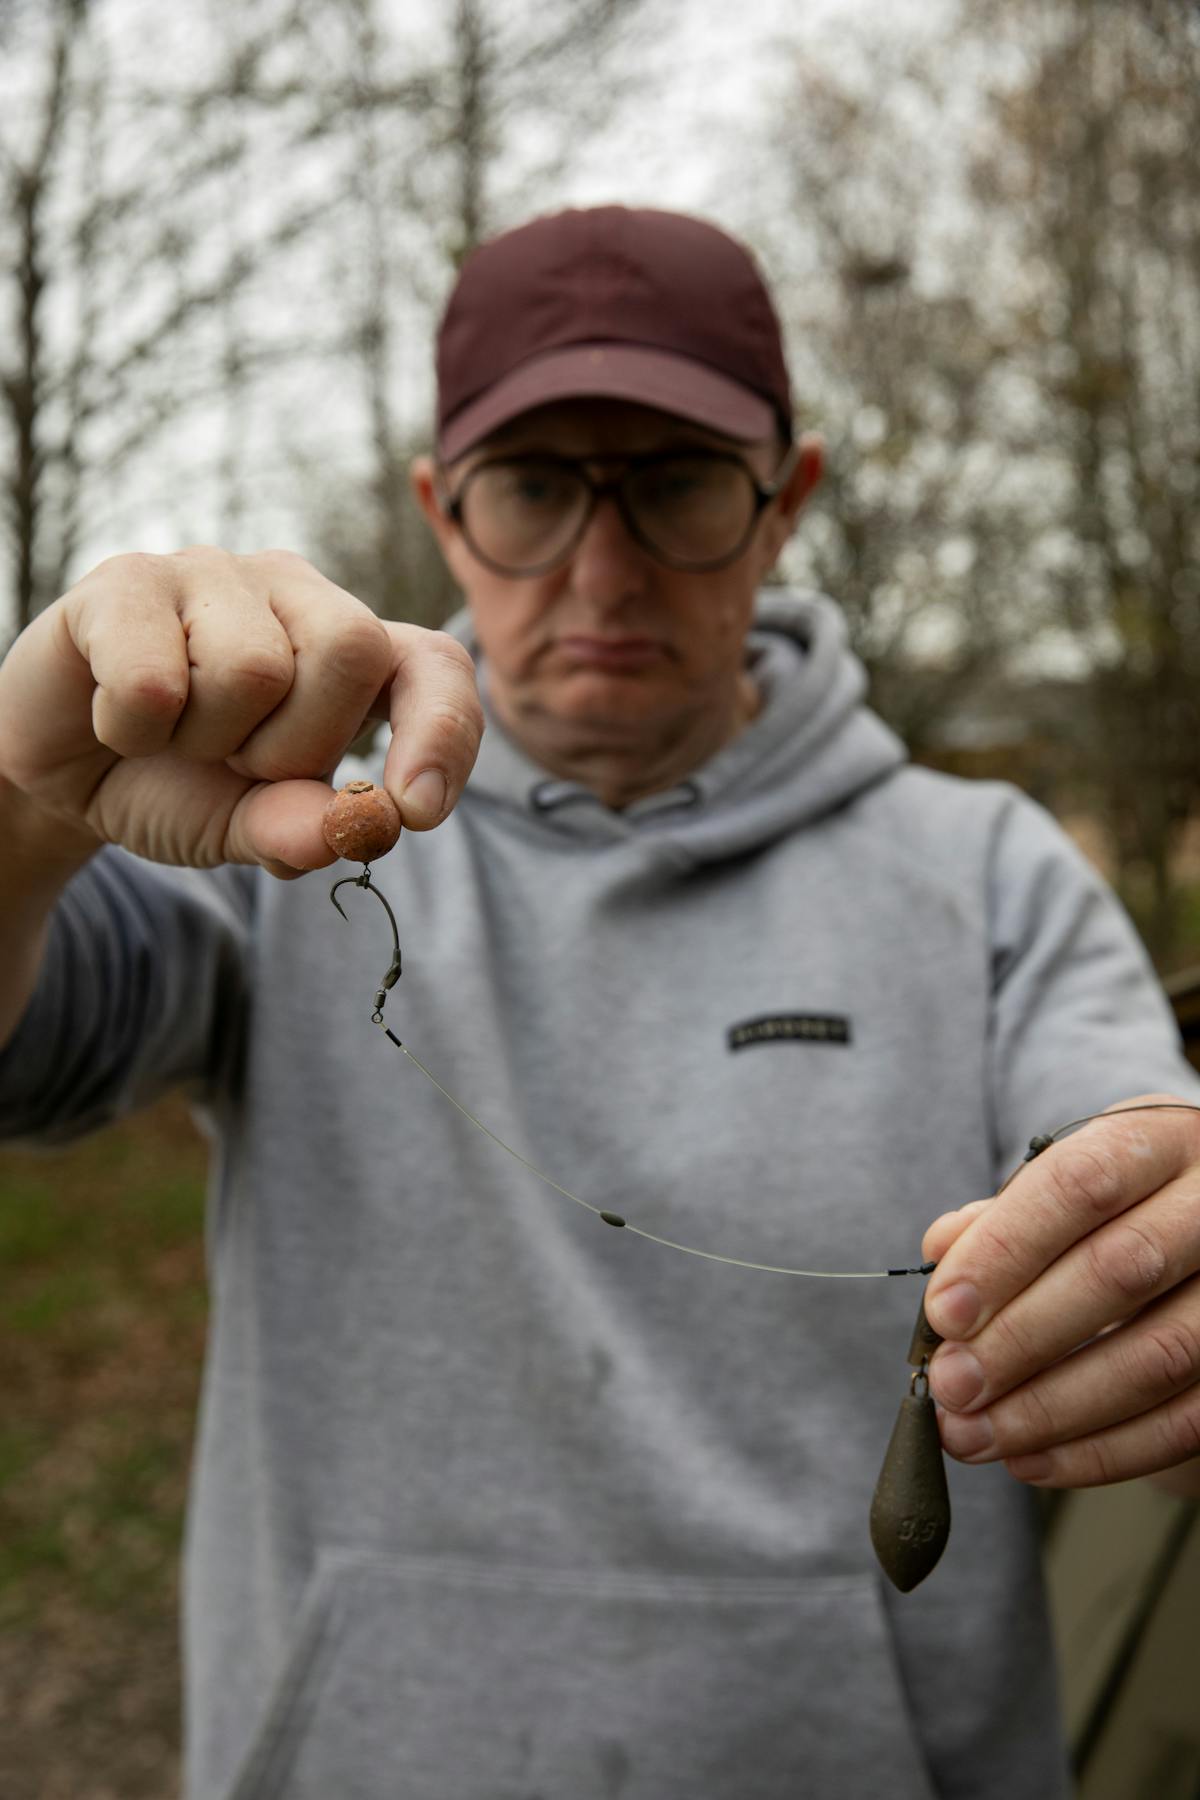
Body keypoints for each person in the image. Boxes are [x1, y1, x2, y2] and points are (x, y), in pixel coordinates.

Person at [0, 205, 1197, 1800]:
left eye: (680, 481)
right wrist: (28, 810)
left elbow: (1127, 1126)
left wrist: (1154, 1226)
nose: (604, 566)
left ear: (788, 506)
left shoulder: (993, 871)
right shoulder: (263, 837)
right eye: (540, 486)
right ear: (445, 509)